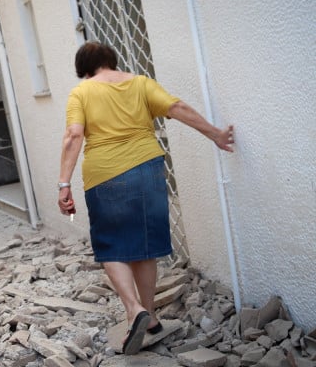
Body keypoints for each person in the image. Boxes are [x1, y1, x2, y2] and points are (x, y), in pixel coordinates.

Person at [57, 42, 234, 355]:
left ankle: (132, 309)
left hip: (105, 175)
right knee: (144, 245)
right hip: (146, 170)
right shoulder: (141, 83)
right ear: (111, 61)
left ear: (85, 69)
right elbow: (177, 108)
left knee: (110, 244)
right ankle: (150, 316)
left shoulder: (82, 92)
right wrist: (215, 134)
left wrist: (63, 183)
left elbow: (73, 135)